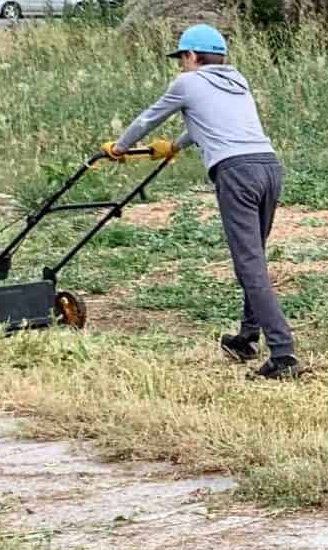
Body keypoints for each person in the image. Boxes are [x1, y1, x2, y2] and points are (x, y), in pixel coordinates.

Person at [110, 24, 300, 378]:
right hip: (269, 167)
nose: (182, 66)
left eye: (182, 58)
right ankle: (246, 337)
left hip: (237, 173)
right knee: (254, 256)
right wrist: (175, 147)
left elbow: (148, 118)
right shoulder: (237, 80)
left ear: (191, 56)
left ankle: (283, 354)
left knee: (249, 265)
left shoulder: (187, 83)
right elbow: (204, 122)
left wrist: (120, 147)